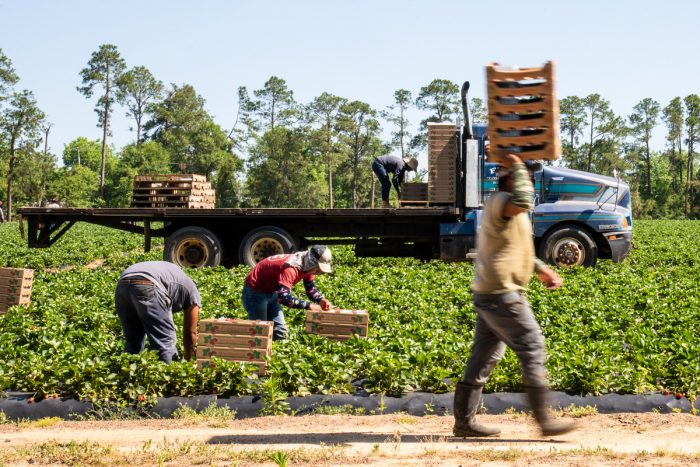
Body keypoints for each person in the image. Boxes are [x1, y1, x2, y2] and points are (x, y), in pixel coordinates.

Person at [453, 153, 577, 438]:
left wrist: (541, 268)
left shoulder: (514, 211)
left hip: (492, 292)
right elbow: (522, 200)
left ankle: (464, 422)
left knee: (484, 356)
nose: (531, 183)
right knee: (532, 345)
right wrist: (519, 166)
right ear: (511, 178)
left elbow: (515, 246)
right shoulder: (501, 202)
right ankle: (545, 421)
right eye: (526, 177)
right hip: (502, 294)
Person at [114, 261, 201, 364]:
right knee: (164, 342)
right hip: (148, 284)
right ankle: (166, 376)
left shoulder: (175, 276)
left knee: (133, 343)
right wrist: (189, 360)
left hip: (122, 285)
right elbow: (190, 332)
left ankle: (127, 375)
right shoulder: (193, 292)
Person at [242, 245, 333, 341]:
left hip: (273, 291)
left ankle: (273, 353)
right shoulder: (291, 269)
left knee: (280, 330)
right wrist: (308, 305)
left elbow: (310, 288)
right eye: (318, 268)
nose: (318, 272)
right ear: (312, 262)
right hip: (255, 291)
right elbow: (284, 298)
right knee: (260, 331)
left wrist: (320, 299)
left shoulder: (307, 266)